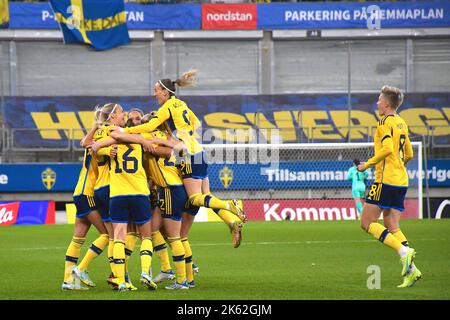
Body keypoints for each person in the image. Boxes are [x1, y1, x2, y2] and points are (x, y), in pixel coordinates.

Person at [111, 70, 245, 245]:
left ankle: (229, 205)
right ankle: (231, 221)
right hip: (198, 150)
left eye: (156, 90)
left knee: (194, 197)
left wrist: (125, 131)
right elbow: (196, 123)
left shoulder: (166, 108)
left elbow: (151, 124)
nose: (154, 93)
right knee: (206, 195)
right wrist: (181, 135)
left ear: (165, 92)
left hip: (187, 154)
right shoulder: (181, 104)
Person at [357, 85, 421, 288]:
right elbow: (409, 153)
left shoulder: (384, 122)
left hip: (385, 180)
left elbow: (386, 148)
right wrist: (397, 166)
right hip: (401, 180)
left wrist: (366, 165)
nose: (377, 103)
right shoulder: (402, 123)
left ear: (385, 104)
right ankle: (412, 271)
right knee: (392, 226)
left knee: (367, 223)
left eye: (378, 99)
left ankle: (404, 252)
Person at [94, 103, 157, 292]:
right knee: (146, 236)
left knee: (119, 237)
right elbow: (151, 140)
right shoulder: (139, 136)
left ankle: (120, 279)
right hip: (139, 191)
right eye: (122, 112)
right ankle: (146, 272)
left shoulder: (111, 135)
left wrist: (99, 145)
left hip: (118, 193)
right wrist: (144, 141)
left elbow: (97, 145)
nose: (125, 115)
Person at [61, 107, 109, 291]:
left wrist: (96, 127)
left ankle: (67, 281)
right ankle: (81, 269)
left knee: (77, 239)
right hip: (88, 193)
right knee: (108, 234)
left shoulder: (93, 139)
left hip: (79, 193)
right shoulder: (102, 141)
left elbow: (84, 142)